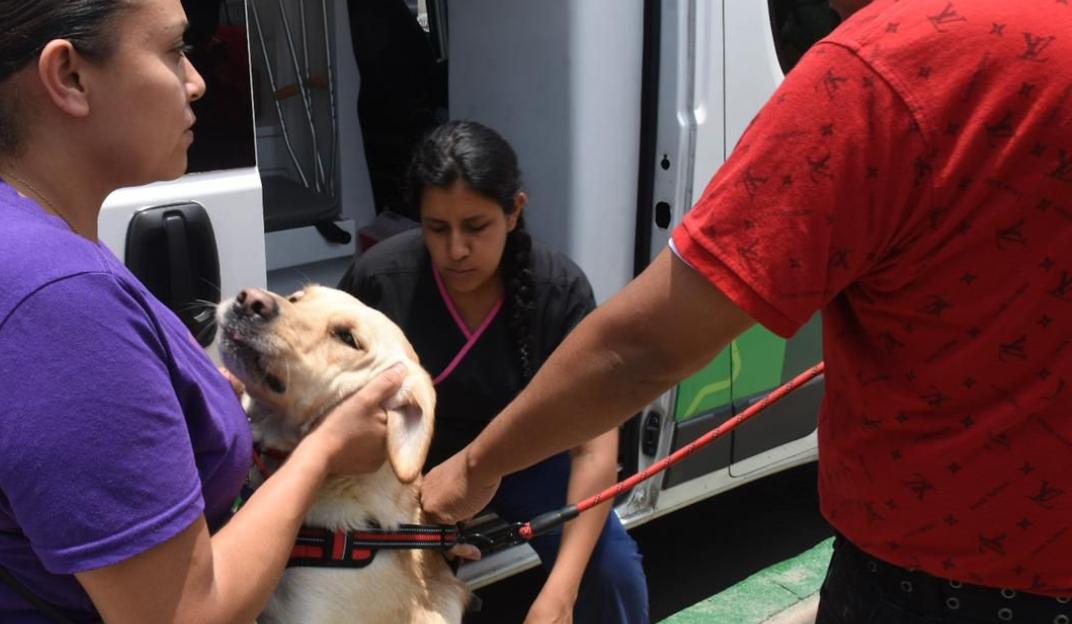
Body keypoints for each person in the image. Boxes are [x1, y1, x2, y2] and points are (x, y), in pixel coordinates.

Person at [420, 0, 1072, 622]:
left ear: (516, 212)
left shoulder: (880, 67)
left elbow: (645, 348)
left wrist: (478, 467)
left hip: (942, 585)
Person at [0, 0, 401, 621]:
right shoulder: (54, 305)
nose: (197, 81)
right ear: (68, 77)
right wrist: (325, 451)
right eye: (174, 51)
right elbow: (187, 612)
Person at [340, 121, 650, 623]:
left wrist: (561, 594)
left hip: (525, 458)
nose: (456, 249)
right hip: (411, 466)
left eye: (476, 227)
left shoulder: (559, 290)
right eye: (437, 228)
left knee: (612, 570)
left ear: (514, 212)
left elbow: (595, 448)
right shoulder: (380, 280)